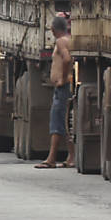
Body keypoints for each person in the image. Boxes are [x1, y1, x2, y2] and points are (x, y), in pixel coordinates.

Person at [36, 16, 75, 168]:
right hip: (66, 87)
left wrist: (63, 79)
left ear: (53, 29)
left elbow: (67, 59)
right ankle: (71, 157)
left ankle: (51, 159)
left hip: (63, 88)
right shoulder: (69, 39)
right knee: (66, 123)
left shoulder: (60, 41)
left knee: (57, 122)